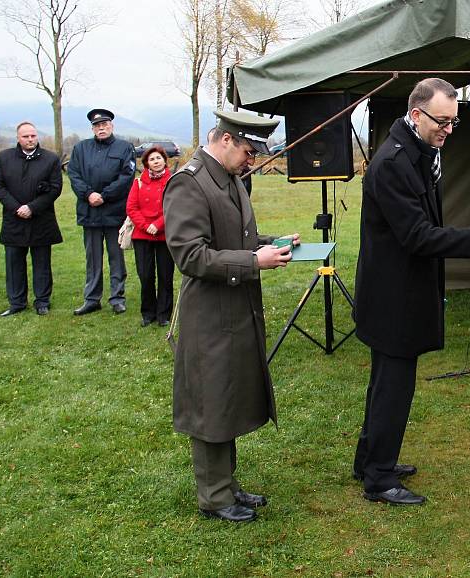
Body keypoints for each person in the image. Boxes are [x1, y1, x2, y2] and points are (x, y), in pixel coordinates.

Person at [353, 78, 470, 506]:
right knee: (393, 386)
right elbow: (418, 236)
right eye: (442, 121)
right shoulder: (395, 162)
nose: (448, 129)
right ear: (416, 115)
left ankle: (370, 460)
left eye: (454, 121)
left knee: (386, 383)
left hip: (396, 290)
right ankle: (377, 479)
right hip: (392, 296)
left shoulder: (418, 153)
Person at [163, 110, 299, 523]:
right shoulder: (188, 182)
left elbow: (232, 235)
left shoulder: (228, 178)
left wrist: (267, 244)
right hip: (209, 314)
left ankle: (228, 485)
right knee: (211, 405)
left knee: (228, 399)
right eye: (246, 150)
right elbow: (190, 254)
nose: (250, 160)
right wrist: (253, 260)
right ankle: (215, 497)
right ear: (224, 140)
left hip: (236, 310)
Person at [68, 108, 136, 315]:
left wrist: (104, 196)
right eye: (97, 125)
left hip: (114, 212)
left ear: (111, 125)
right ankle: (92, 299)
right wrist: (89, 194)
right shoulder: (80, 148)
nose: (101, 128)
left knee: (116, 258)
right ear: (92, 128)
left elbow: (127, 177)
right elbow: (74, 174)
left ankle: (117, 297)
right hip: (89, 213)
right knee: (93, 259)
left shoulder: (125, 148)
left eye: (104, 124)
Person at [0, 121, 63, 316]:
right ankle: (16, 302)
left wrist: (32, 207)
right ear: (18, 138)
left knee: (42, 263)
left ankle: (42, 302)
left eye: (33, 136)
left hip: (41, 219)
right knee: (14, 263)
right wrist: (16, 208)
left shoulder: (50, 159)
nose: (30, 139)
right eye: (26, 136)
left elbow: (55, 188)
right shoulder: (4, 158)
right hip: (14, 220)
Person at [125, 145, 175, 327]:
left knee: (165, 275)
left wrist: (158, 224)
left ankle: (164, 314)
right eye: (152, 159)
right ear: (146, 163)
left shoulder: (173, 181)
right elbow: (131, 207)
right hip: (142, 235)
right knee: (145, 275)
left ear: (164, 160)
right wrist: (146, 226)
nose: (156, 161)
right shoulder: (138, 182)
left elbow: (175, 206)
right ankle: (148, 312)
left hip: (164, 235)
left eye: (159, 158)